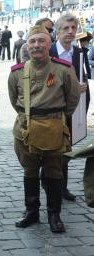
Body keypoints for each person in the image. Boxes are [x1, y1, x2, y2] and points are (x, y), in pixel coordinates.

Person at [8, 25, 80, 233]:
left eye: (41, 41)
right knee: (29, 171)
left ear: (50, 43)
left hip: (53, 129)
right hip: (25, 129)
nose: (37, 45)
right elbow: (15, 101)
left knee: (54, 172)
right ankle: (31, 212)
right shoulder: (17, 73)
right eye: (33, 41)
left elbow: (72, 100)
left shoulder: (63, 70)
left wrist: (54, 118)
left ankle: (54, 214)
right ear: (27, 45)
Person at [49, 13, 90, 201]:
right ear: (57, 31)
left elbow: (84, 81)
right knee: (52, 152)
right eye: (66, 28)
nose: (70, 32)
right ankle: (49, 184)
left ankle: (62, 187)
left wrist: (83, 92)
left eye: (73, 28)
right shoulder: (50, 53)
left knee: (66, 150)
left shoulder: (80, 53)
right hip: (53, 111)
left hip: (73, 112)